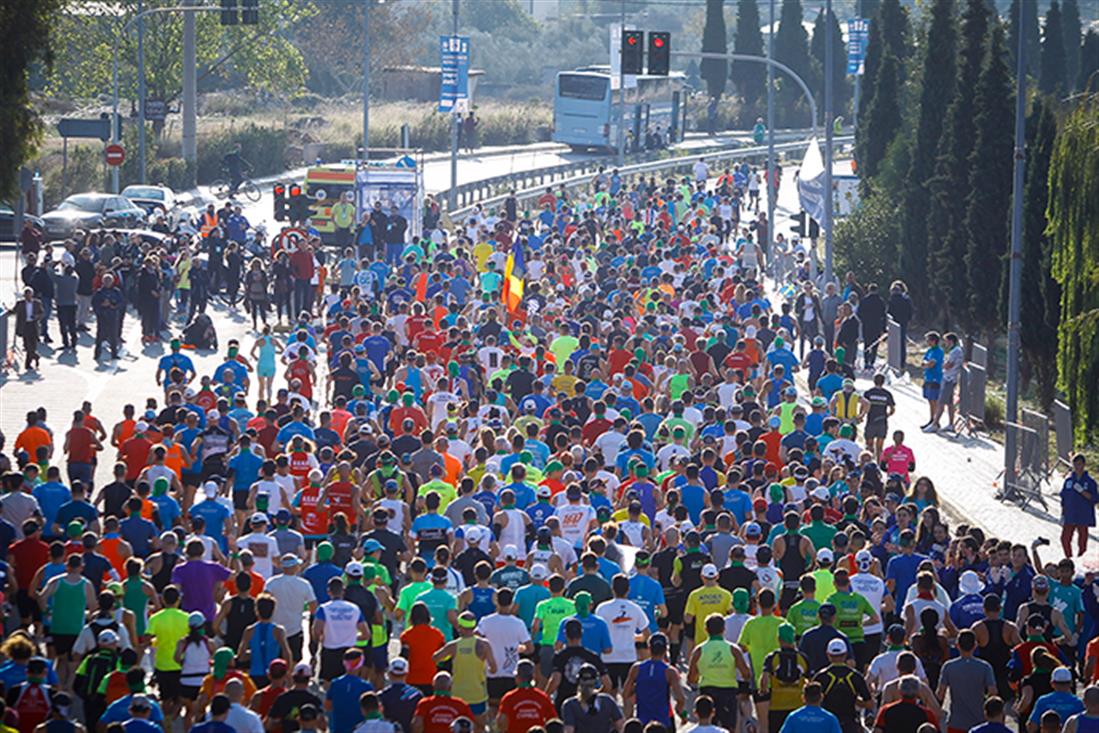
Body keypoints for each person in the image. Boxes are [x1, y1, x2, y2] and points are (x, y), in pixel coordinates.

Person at [1060, 453, 1098, 558]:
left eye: (1080, 464)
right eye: (1075, 464)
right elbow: (1063, 497)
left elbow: (1095, 499)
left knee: (1082, 541)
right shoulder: (1068, 481)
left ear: (1084, 465)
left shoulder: (1090, 482)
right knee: (1065, 539)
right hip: (1070, 514)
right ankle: (1069, 559)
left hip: (1083, 515)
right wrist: (1063, 514)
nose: (1077, 467)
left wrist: (1082, 492)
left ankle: (1080, 560)